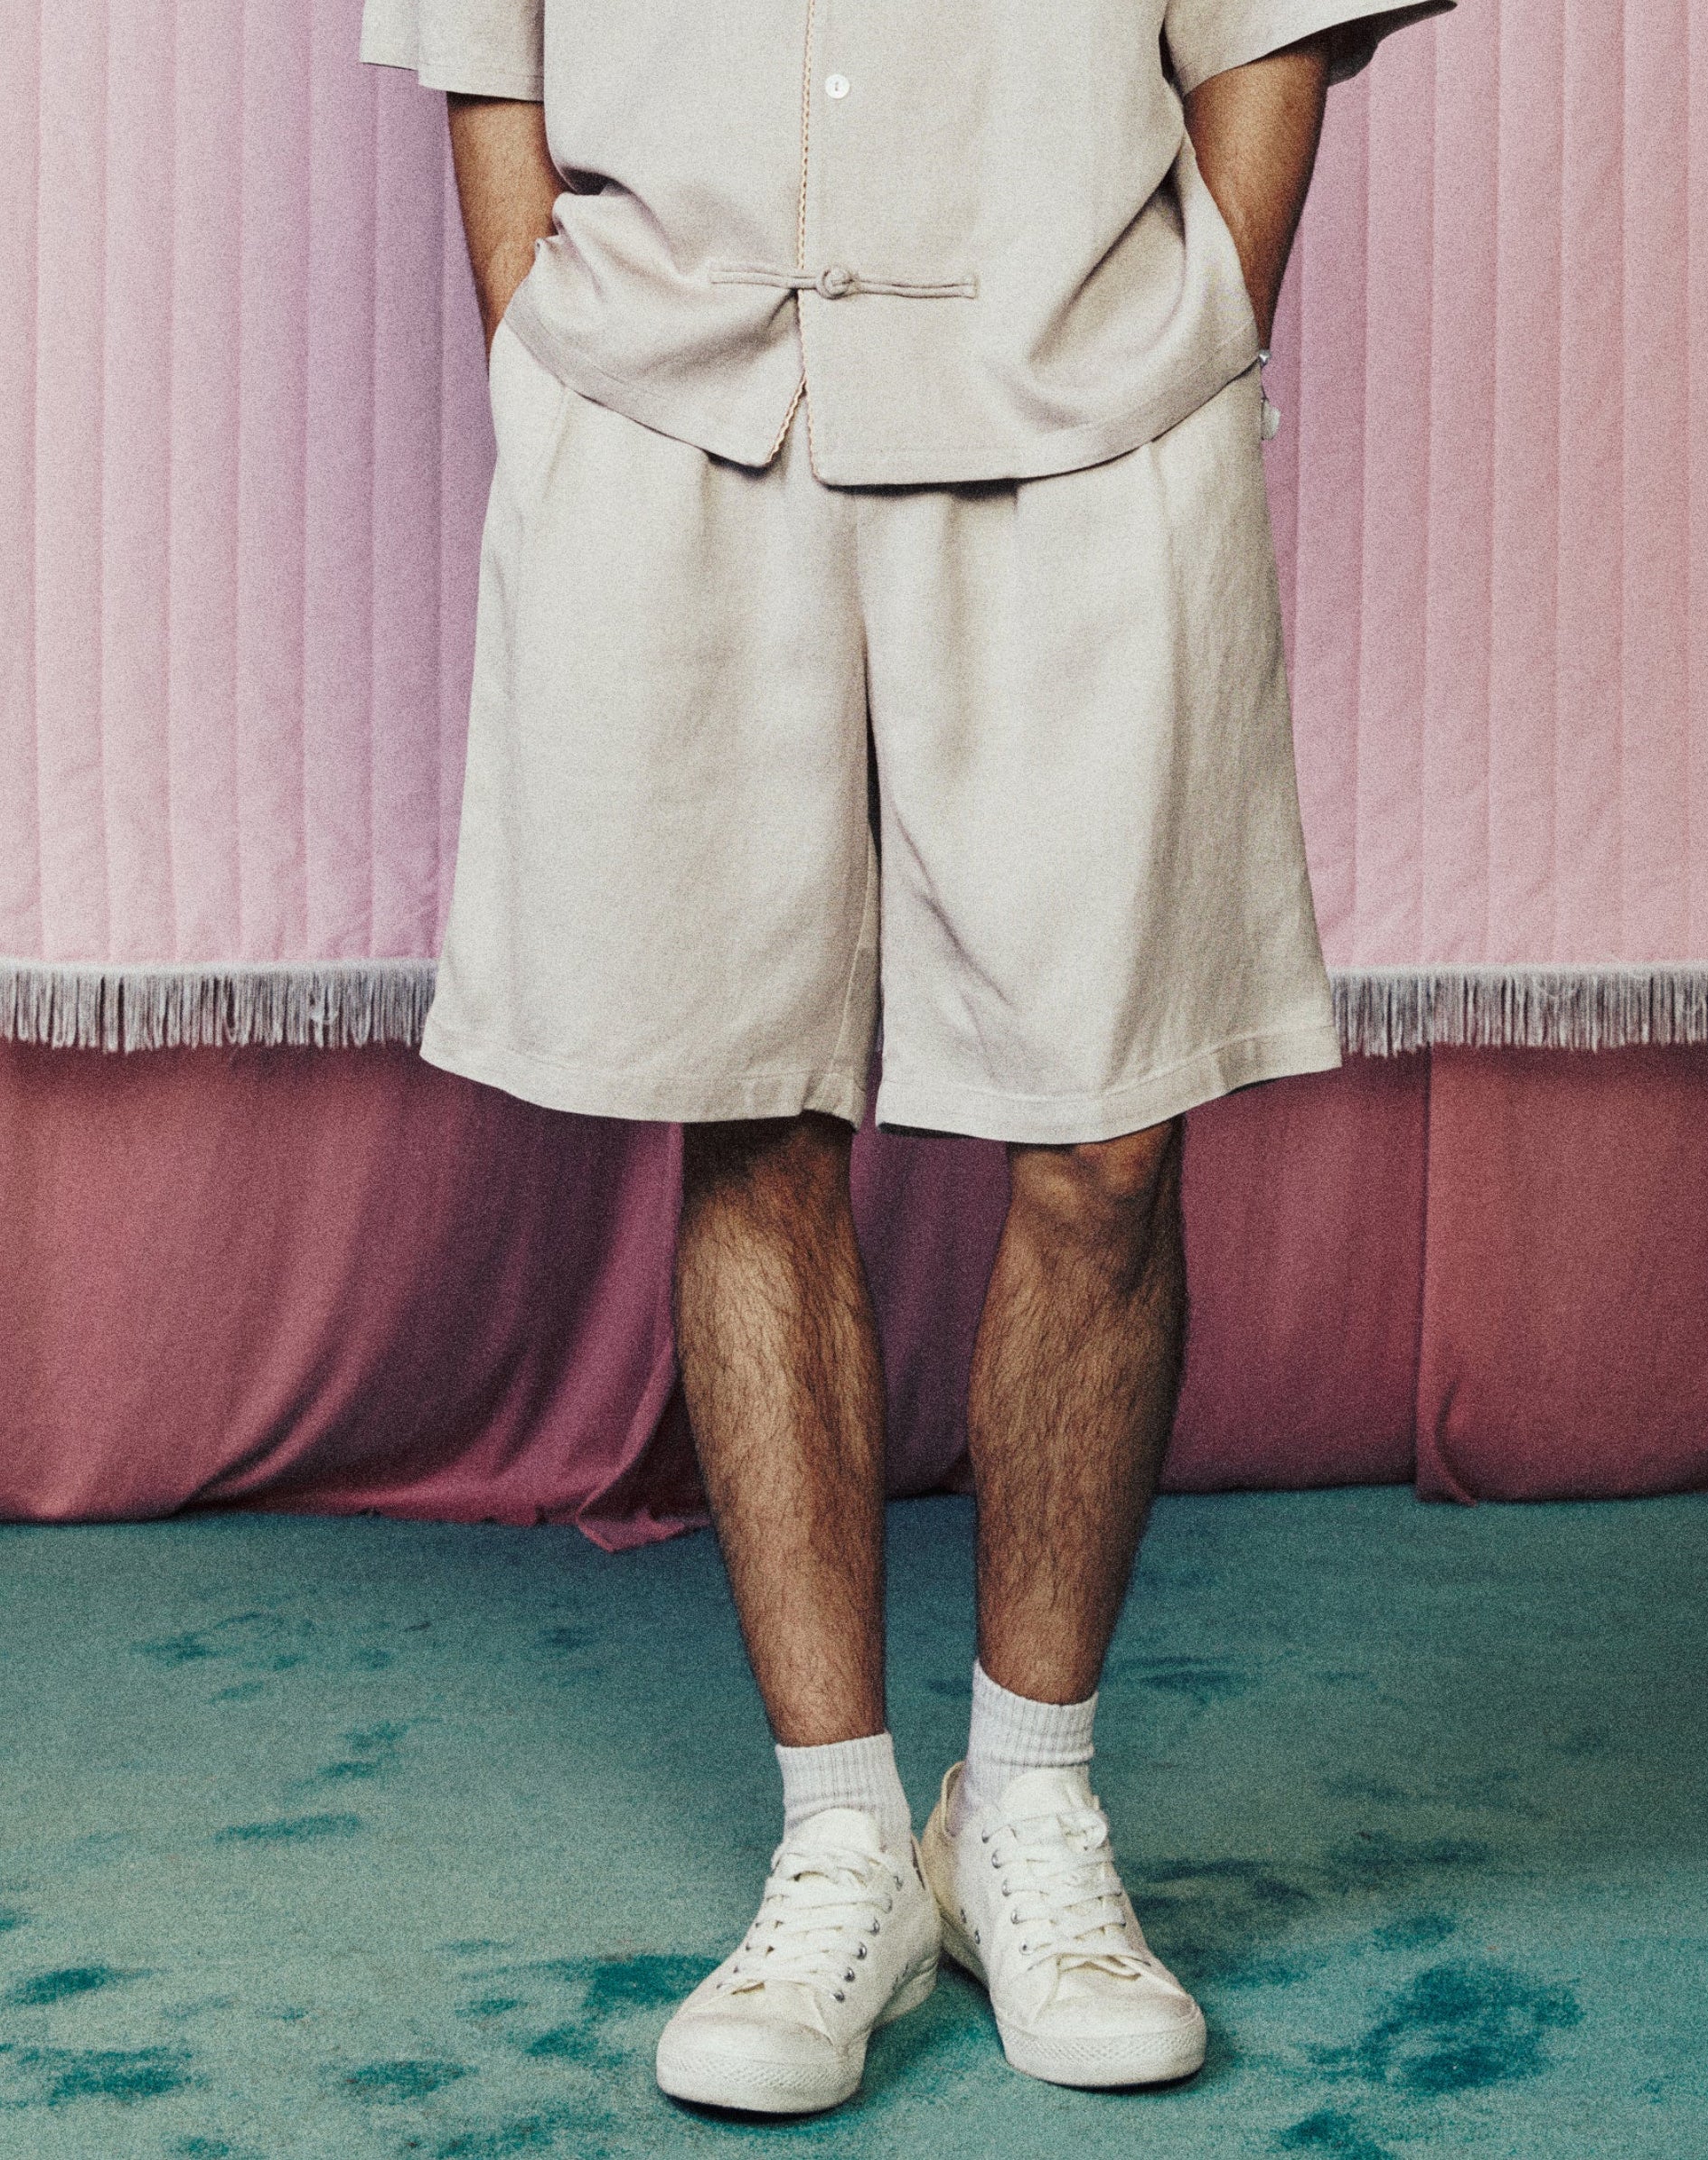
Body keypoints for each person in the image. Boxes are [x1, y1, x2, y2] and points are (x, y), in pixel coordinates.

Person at [362, 0, 1452, 2116]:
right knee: (750, 1114)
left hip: (1083, 395)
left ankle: (1028, 1803)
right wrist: (533, 324)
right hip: (670, 396)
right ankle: (841, 1831)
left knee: (1112, 1135)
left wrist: (1204, 308)